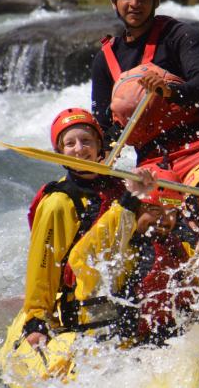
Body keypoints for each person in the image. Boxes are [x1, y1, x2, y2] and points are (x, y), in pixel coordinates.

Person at [90, 0, 199, 181]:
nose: (135, 3)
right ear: (114, 3)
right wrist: (96, 155)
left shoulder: (180, 35)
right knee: (147, 216)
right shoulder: (105, 59)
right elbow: (106, 127)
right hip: (150, 160)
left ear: (156, 0)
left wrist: (170, 91)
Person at [21, 108, 125, 348]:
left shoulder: (120, 190)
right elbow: (43, 263)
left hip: (123, 304)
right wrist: (36, 317)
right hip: (81, 316)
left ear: (100, 146)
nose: (79, 149)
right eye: (70, 143)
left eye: (86, 141)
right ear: (60, 153)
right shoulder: (58, 203)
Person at [67, 165, 195, 345]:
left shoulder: (177, 248)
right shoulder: (117, 251)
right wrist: (130, 199)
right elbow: (84, 255)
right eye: (155, 210)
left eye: (172, 212)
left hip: (163, 343)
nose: (166, 221)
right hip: (112, 348)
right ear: (137, 209)